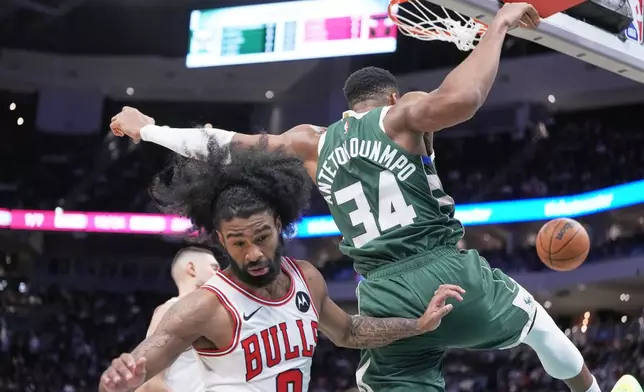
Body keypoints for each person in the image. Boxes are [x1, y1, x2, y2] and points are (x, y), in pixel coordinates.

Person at [109, 3, 641, 392]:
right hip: (447, 272)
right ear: (389, 96)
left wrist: (151, 129)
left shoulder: (310, 142)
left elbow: (228, 147)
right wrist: (497, 26)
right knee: (541, 330)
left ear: (346, 107)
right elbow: (465, 97)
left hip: (381, 293)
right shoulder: (400, 115)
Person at [99, 142, 465, 392]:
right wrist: (119, 378)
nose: (254, 253)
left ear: (279, 223)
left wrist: (417, 325)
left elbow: (350, 332)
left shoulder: (306, 277)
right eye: (239, 242)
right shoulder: (204, 307)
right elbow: (147, 360)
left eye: (261, 237)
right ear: (221, 241)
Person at [136, 246, 220, 392]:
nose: (220, 275)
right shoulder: (170, 310)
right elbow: (150, 383)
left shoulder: (214, 316)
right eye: (214, 268)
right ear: (191, 268)